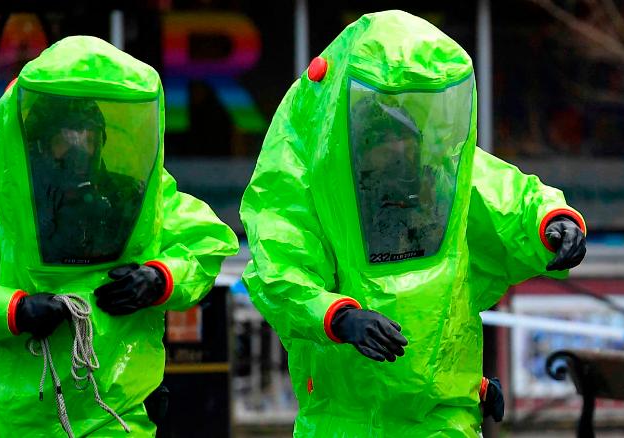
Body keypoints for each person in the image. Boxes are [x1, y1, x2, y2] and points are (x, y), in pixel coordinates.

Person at [240, 11, 586, 437]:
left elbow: (509, 199)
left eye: (405, 133)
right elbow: (280, 272)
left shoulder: (439, 180)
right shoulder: (313, 184)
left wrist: (554, 224)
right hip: (349, 421)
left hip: (444, 415)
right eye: (381, 135)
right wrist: (340, 318)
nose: (398, 147)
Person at [0, 35, 239, 436]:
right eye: (68, 136)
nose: (80, 148)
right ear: (39, 140)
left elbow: (203, 243)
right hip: (15, 418)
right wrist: (12, 311)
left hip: (115, 411)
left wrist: (159, 278)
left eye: (88, 135)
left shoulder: (130, 194)